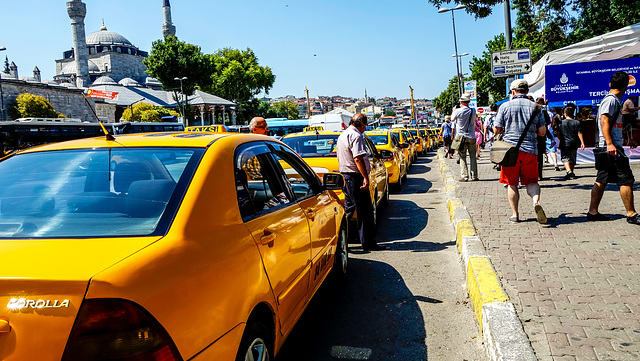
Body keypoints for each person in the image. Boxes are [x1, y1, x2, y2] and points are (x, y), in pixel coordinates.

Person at [587, 71, 640, 225]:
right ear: (626, 86)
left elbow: (613, 125)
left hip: (609, 145)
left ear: (610, 84)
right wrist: (610, 143)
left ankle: (593, 211)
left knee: (601, 180)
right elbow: (604, 121)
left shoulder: (612, 100)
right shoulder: (611, 101)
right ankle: (631, 214)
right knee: (626, 179)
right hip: (610, 148)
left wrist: (627, 140)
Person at [493, 79, 548, 224]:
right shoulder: (536, 107)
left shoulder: (505, 106)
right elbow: (543, 132)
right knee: (531, 182)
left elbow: (497, 129)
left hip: (509, 152)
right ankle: (536, 202)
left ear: (512, 92)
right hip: (530, 151)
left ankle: (515, 215)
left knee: (511, 183)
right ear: (527, 91)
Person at [336, 113, 385, 250]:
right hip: (355, 176)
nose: (365, 129)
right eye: (365, 126)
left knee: (349, 210)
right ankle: (368, 243)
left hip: (346, 176)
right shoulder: (356, 136)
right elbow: (357, 158)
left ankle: (340, 240)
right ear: (361, 124)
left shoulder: (343, 135)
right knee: (365, 211)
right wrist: (365, 177)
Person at [451, 95, 477, 181]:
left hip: (461, 136)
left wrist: (453, 111)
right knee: (473, 156)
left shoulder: (458, 111)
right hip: (472, 136)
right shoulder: (473, 110)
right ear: (469, 102)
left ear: (461, 102)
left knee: (462, 156)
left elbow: (452, 119)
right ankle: (474, 176)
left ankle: (465, 176)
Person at [559, 105, 585, 180]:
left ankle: (569, 171)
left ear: (565, 114)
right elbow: (579, 133)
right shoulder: (577, 122)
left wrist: (559, 138)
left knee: (565, 157)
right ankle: (571, 172)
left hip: (564, 142)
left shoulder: (561, 123)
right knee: (572, 158)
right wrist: (582, 142)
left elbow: (558, 133)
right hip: (574, 142)